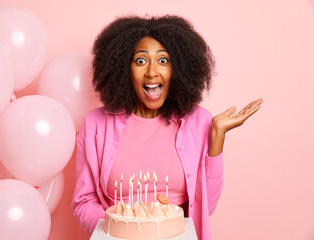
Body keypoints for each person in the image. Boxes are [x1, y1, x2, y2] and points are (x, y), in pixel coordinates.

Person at [72, 15, 263, 240]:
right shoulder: (96, 124)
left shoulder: (199, 122)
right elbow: (83, 202)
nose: (152, 72)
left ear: (179, 68)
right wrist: (123, 228)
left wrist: (217, 137)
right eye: (140, 61)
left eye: (163, 60)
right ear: (124, 69)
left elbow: (206, 207)